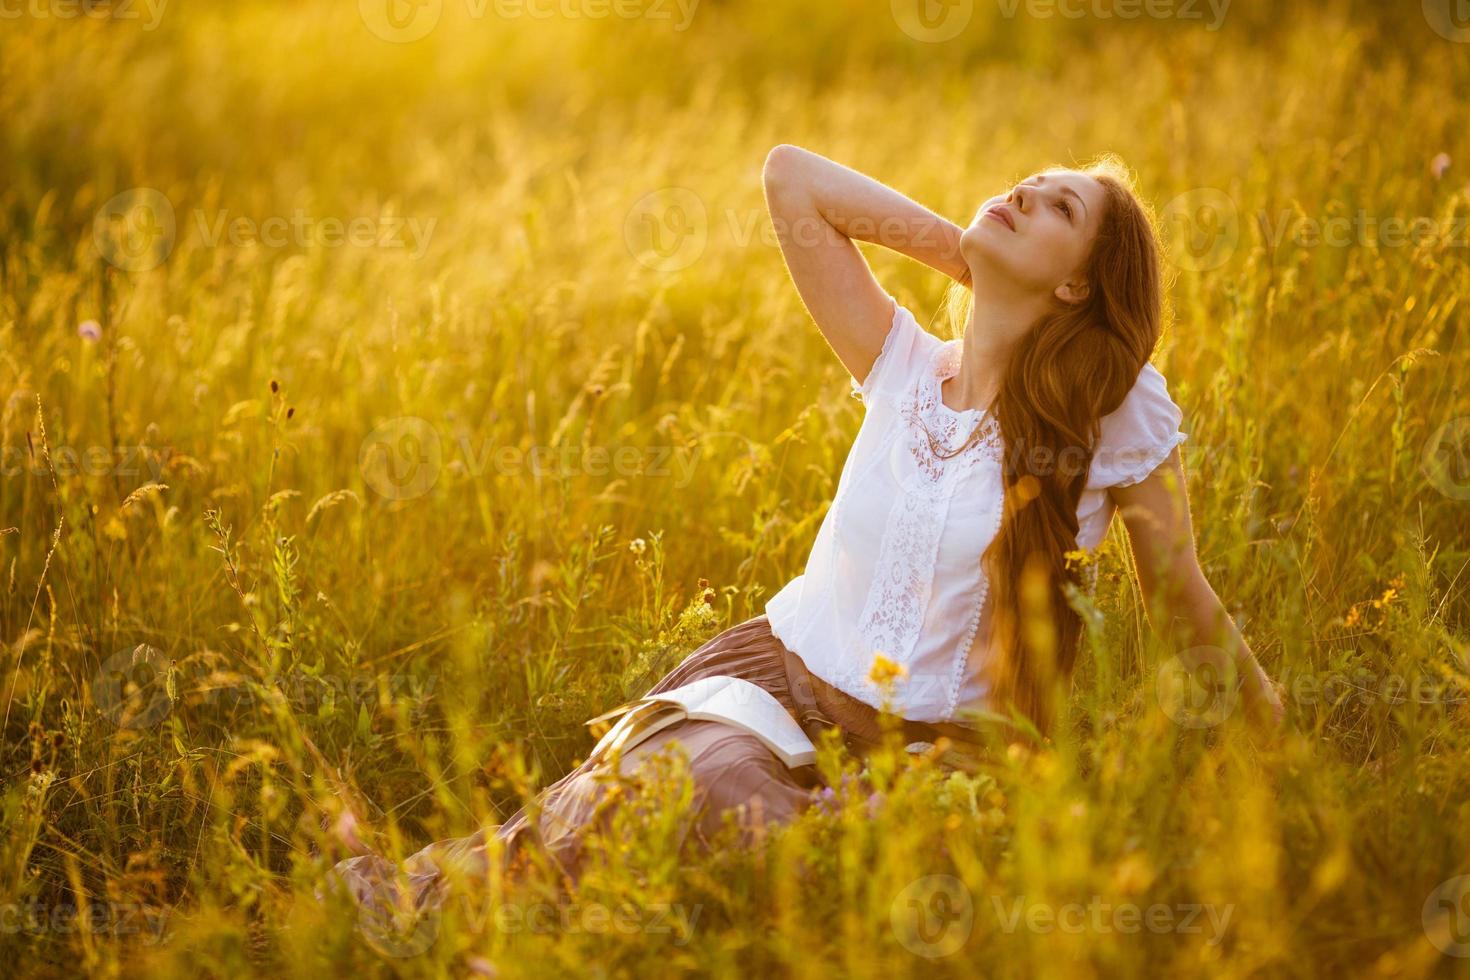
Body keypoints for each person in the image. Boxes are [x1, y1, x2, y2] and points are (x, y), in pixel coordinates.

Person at [321, 145, 1287, 917]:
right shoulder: (903, 361)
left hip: (948, 748)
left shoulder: (1113, 412)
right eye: (1023, 187)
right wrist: (968, 251)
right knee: (659, 794)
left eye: (1058, 210)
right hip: (785, 683)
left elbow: (1180, 594)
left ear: (1078, 288)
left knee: (816, 861)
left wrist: (1279, 750)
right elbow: (792, 178)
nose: (1022, 196)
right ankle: (439, 922)